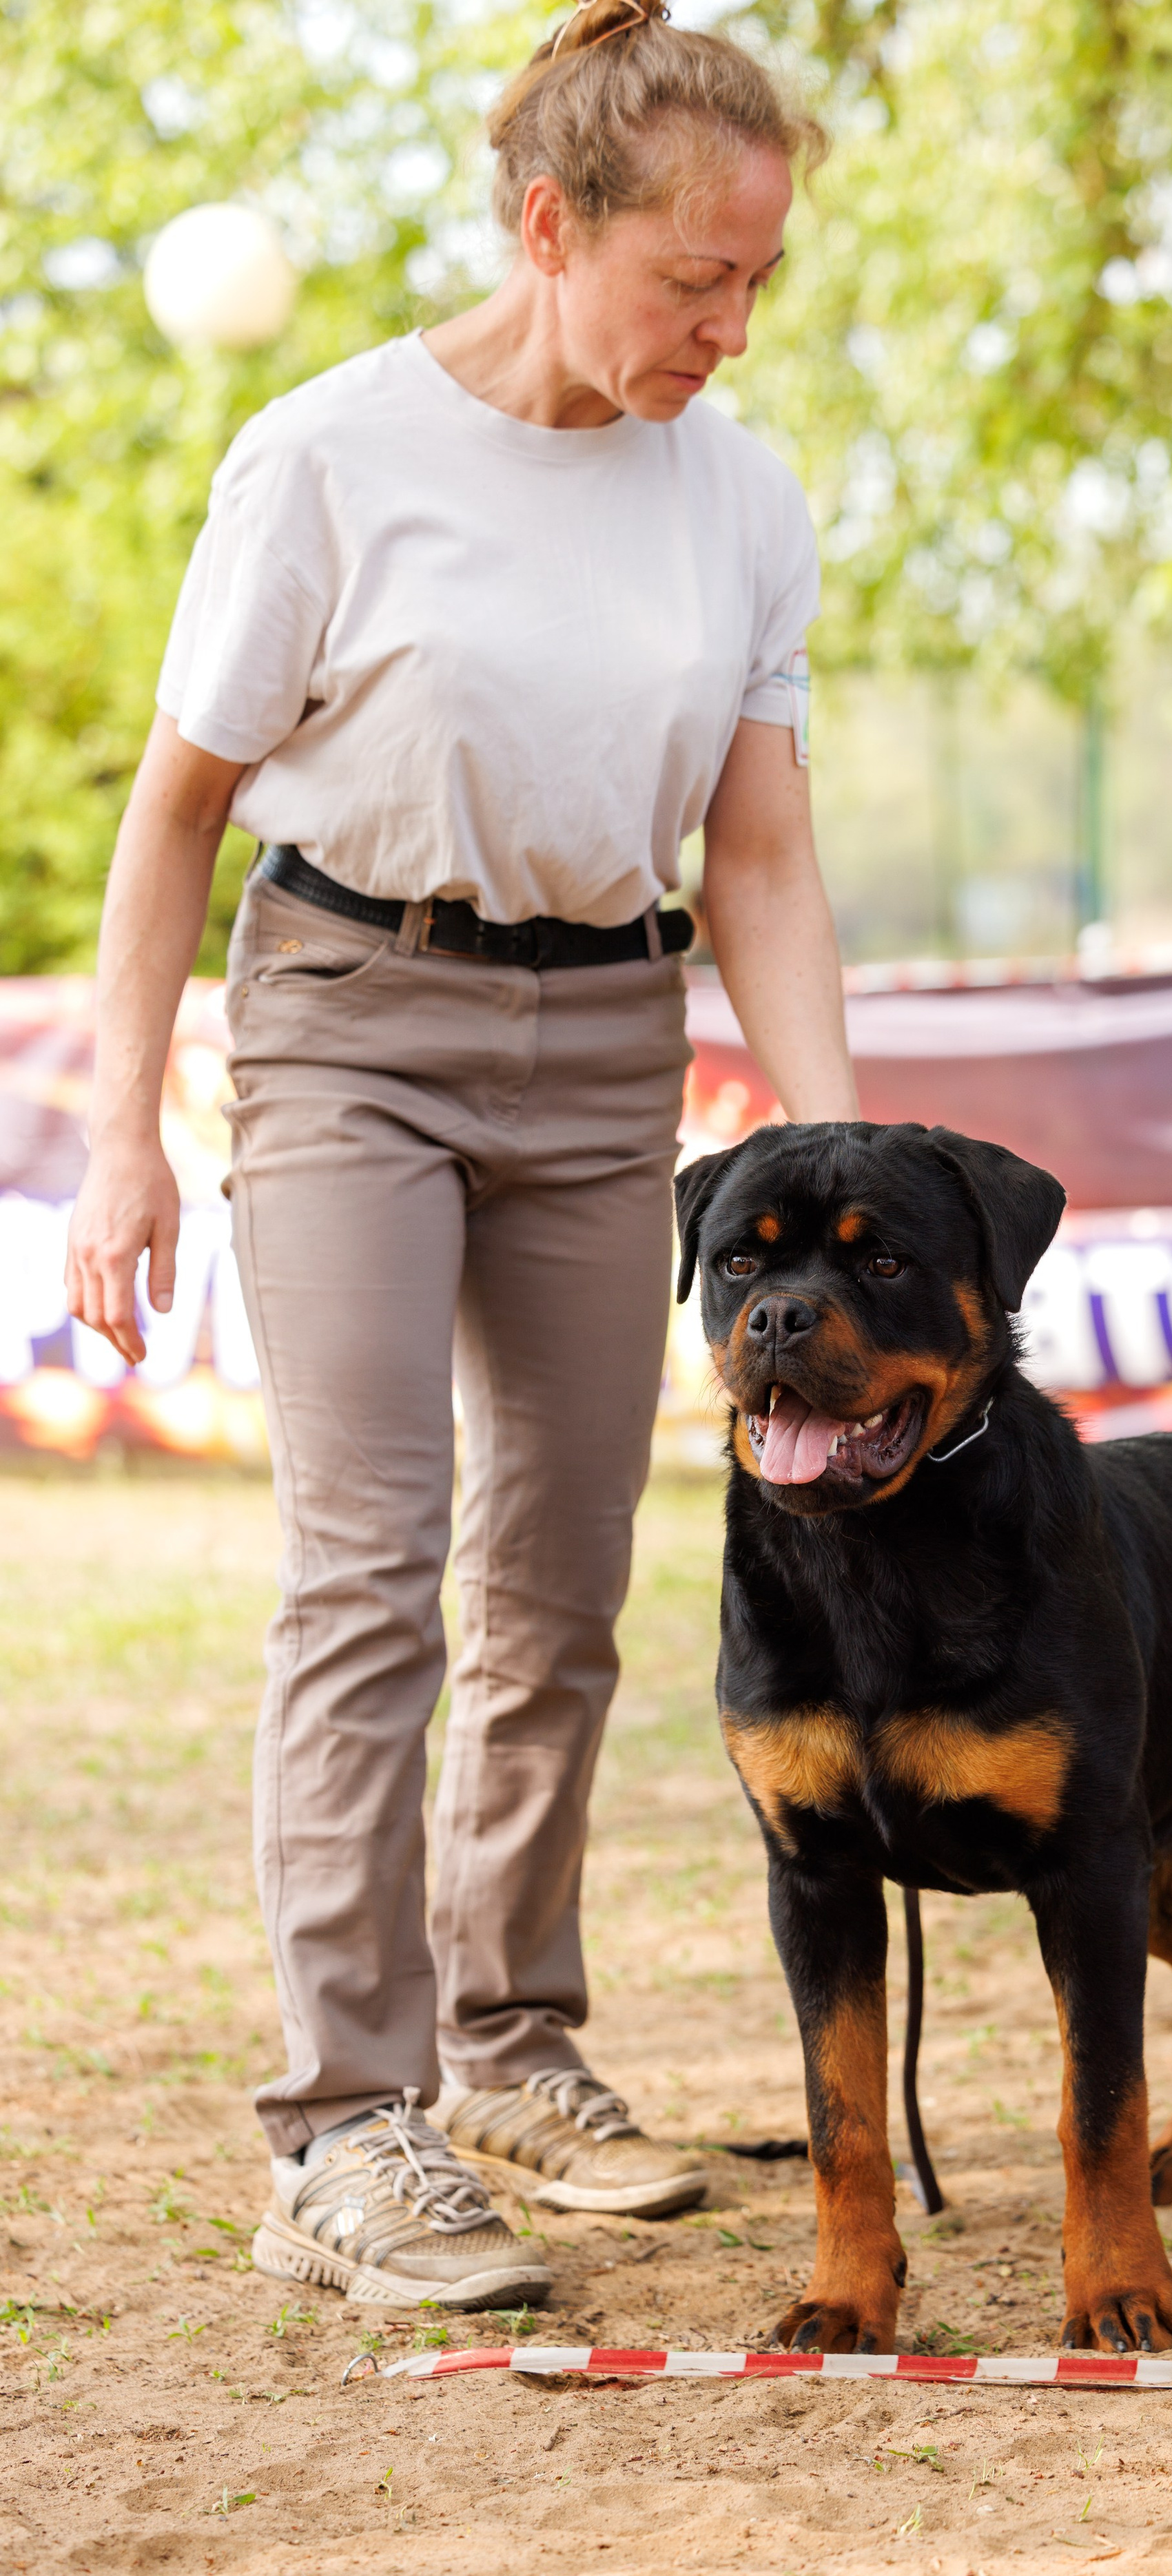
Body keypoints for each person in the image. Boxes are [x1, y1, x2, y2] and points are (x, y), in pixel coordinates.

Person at [65, 0, 858, 2312]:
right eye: (692, 278)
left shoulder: (744, 490)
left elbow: (768, 856)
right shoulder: (325, 456)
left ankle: (513, 2050)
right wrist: (125, 1126)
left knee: (561, 1583)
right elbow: (176, 812)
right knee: (371, 1569)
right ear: (548, 226)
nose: (728, 325)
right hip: (352, 1024)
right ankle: (343, 2123)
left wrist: (838, 1146)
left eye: (760, 282)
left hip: (606, 1038)